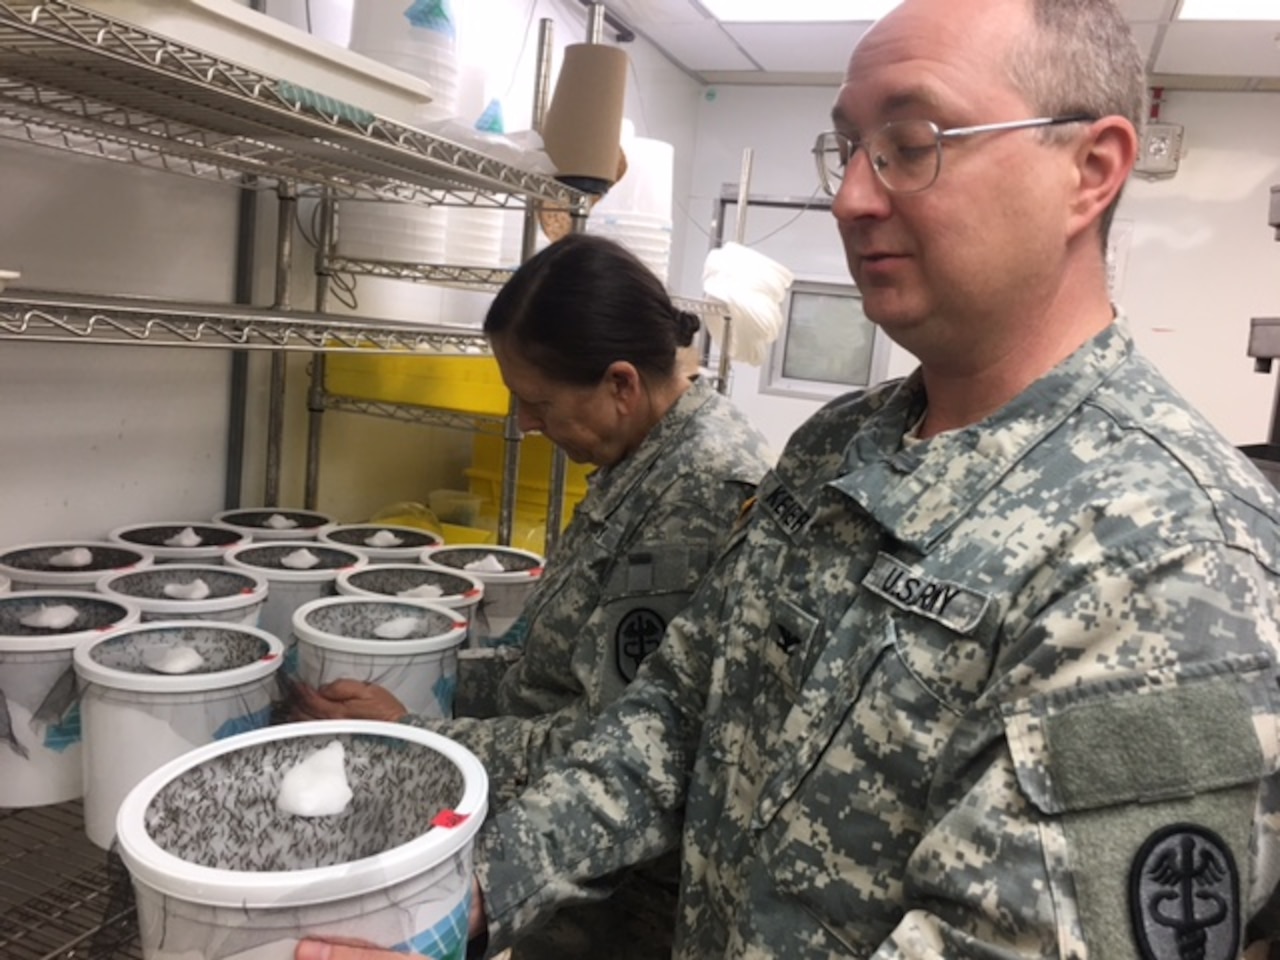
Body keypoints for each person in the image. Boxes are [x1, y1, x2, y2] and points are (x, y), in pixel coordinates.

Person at [299, 0, 1280, 957]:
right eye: (845, 147)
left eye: (912, 139)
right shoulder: (833, 451)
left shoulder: (1173, 554)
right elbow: (676, 717)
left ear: (1089, 169)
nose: (850, 194)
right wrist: (472, 891)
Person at [294, 232, 773, 960]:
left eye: (537, 402)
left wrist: (423, 736)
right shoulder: (643, 452)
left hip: (612, 893)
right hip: (551, 854)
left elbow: (618, 743)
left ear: (620, 384)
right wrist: (439, 689)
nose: (525, 424)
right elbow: (554, 671)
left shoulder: (700, 492)